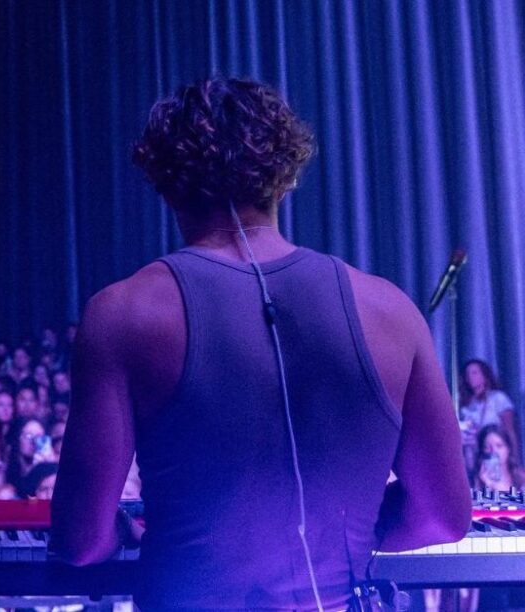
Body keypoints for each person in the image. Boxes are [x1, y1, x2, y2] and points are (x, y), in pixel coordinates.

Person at [50, 77, 471, 610]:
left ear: (164, 180)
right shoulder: (391, 310)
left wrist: (124, 535)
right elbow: (443, 516)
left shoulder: (123, 313)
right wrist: (354, 537)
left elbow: (80, 542)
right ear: (286, 174)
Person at [460, 359, 517, 461]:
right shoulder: (466, 406)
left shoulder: (498, 398)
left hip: (496, 455)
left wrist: (515, 459)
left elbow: (510, 431)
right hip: (474, 457)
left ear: (484, 375)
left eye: (474, 373)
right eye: (467, 374)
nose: (470, 377)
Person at [473, 424, 525, 491]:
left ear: (508, 449)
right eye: (487, 447)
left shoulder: (521, 478)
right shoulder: (475, 480)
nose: (494, 451)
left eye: (499, 446)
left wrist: (495, 486)